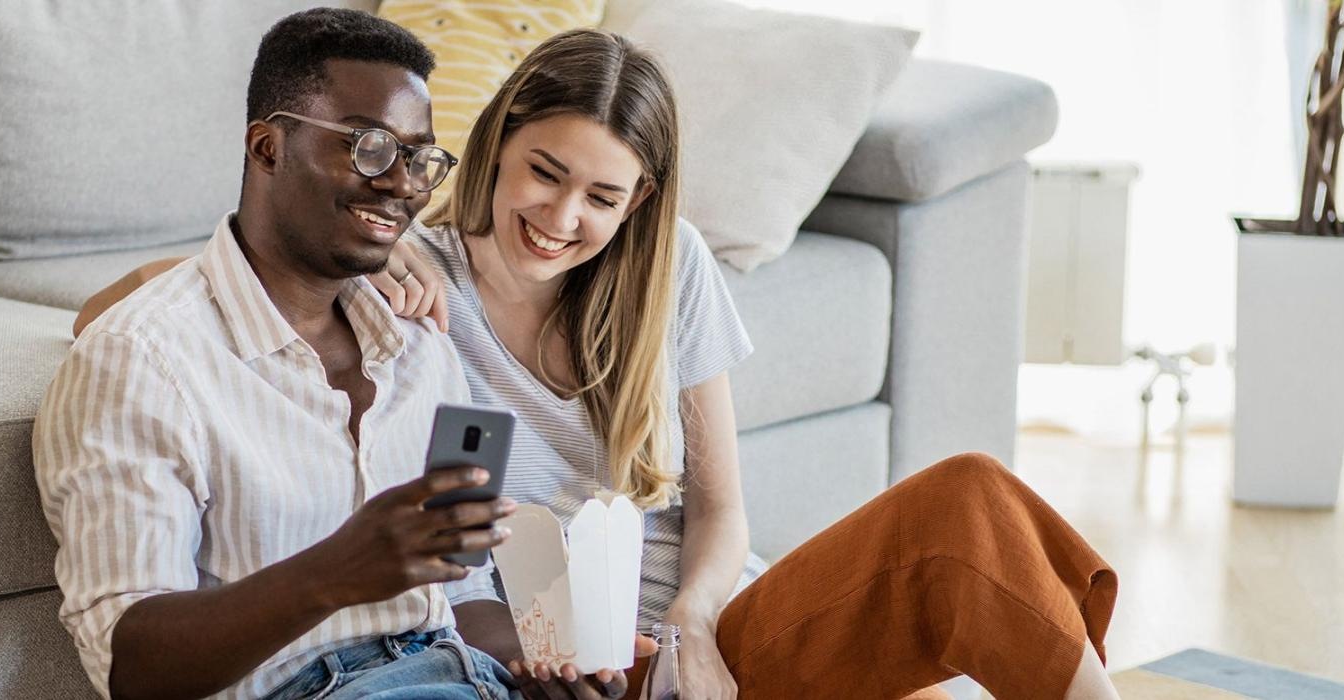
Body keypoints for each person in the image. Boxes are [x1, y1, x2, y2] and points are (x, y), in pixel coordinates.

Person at [77, 28, 1120, 700]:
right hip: (566, 660)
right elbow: (146, 303)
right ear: (500, 143)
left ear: (640, 207)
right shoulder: (405, 278)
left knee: (969, 508)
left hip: (707, 635)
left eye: (604, 199)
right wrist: (384, 258)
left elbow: (721, 512)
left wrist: (695, 627)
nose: (563, 218)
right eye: (545, 172)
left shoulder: (672, 273)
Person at [34, 10, 621, 700]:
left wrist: (546, 659)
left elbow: (461, 600)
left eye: (419, 158)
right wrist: (337, 570)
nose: (403, 185)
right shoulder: (141, 362)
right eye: (369, 147)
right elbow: (130, 668)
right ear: (267, 147)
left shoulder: (421, 344)